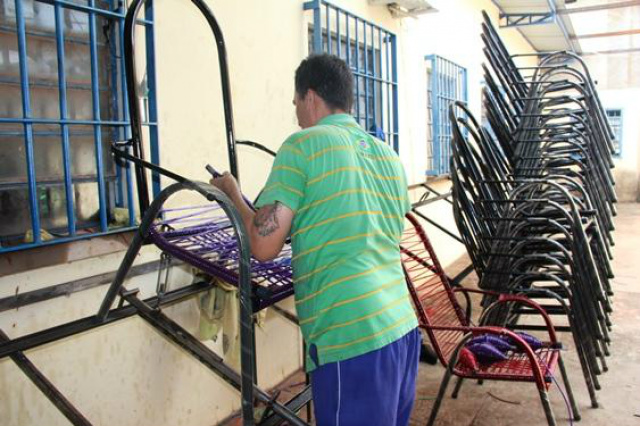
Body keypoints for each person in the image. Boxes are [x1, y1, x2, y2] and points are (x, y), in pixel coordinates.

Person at [211, 53, 419, 426]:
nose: (296, 115)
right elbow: (361, 230)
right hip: (401, 329)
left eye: (295, 104)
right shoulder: (388, 157)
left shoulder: (303, 146)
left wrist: (232, 195)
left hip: (350, 338)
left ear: (309, 97)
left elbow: (263, 245)